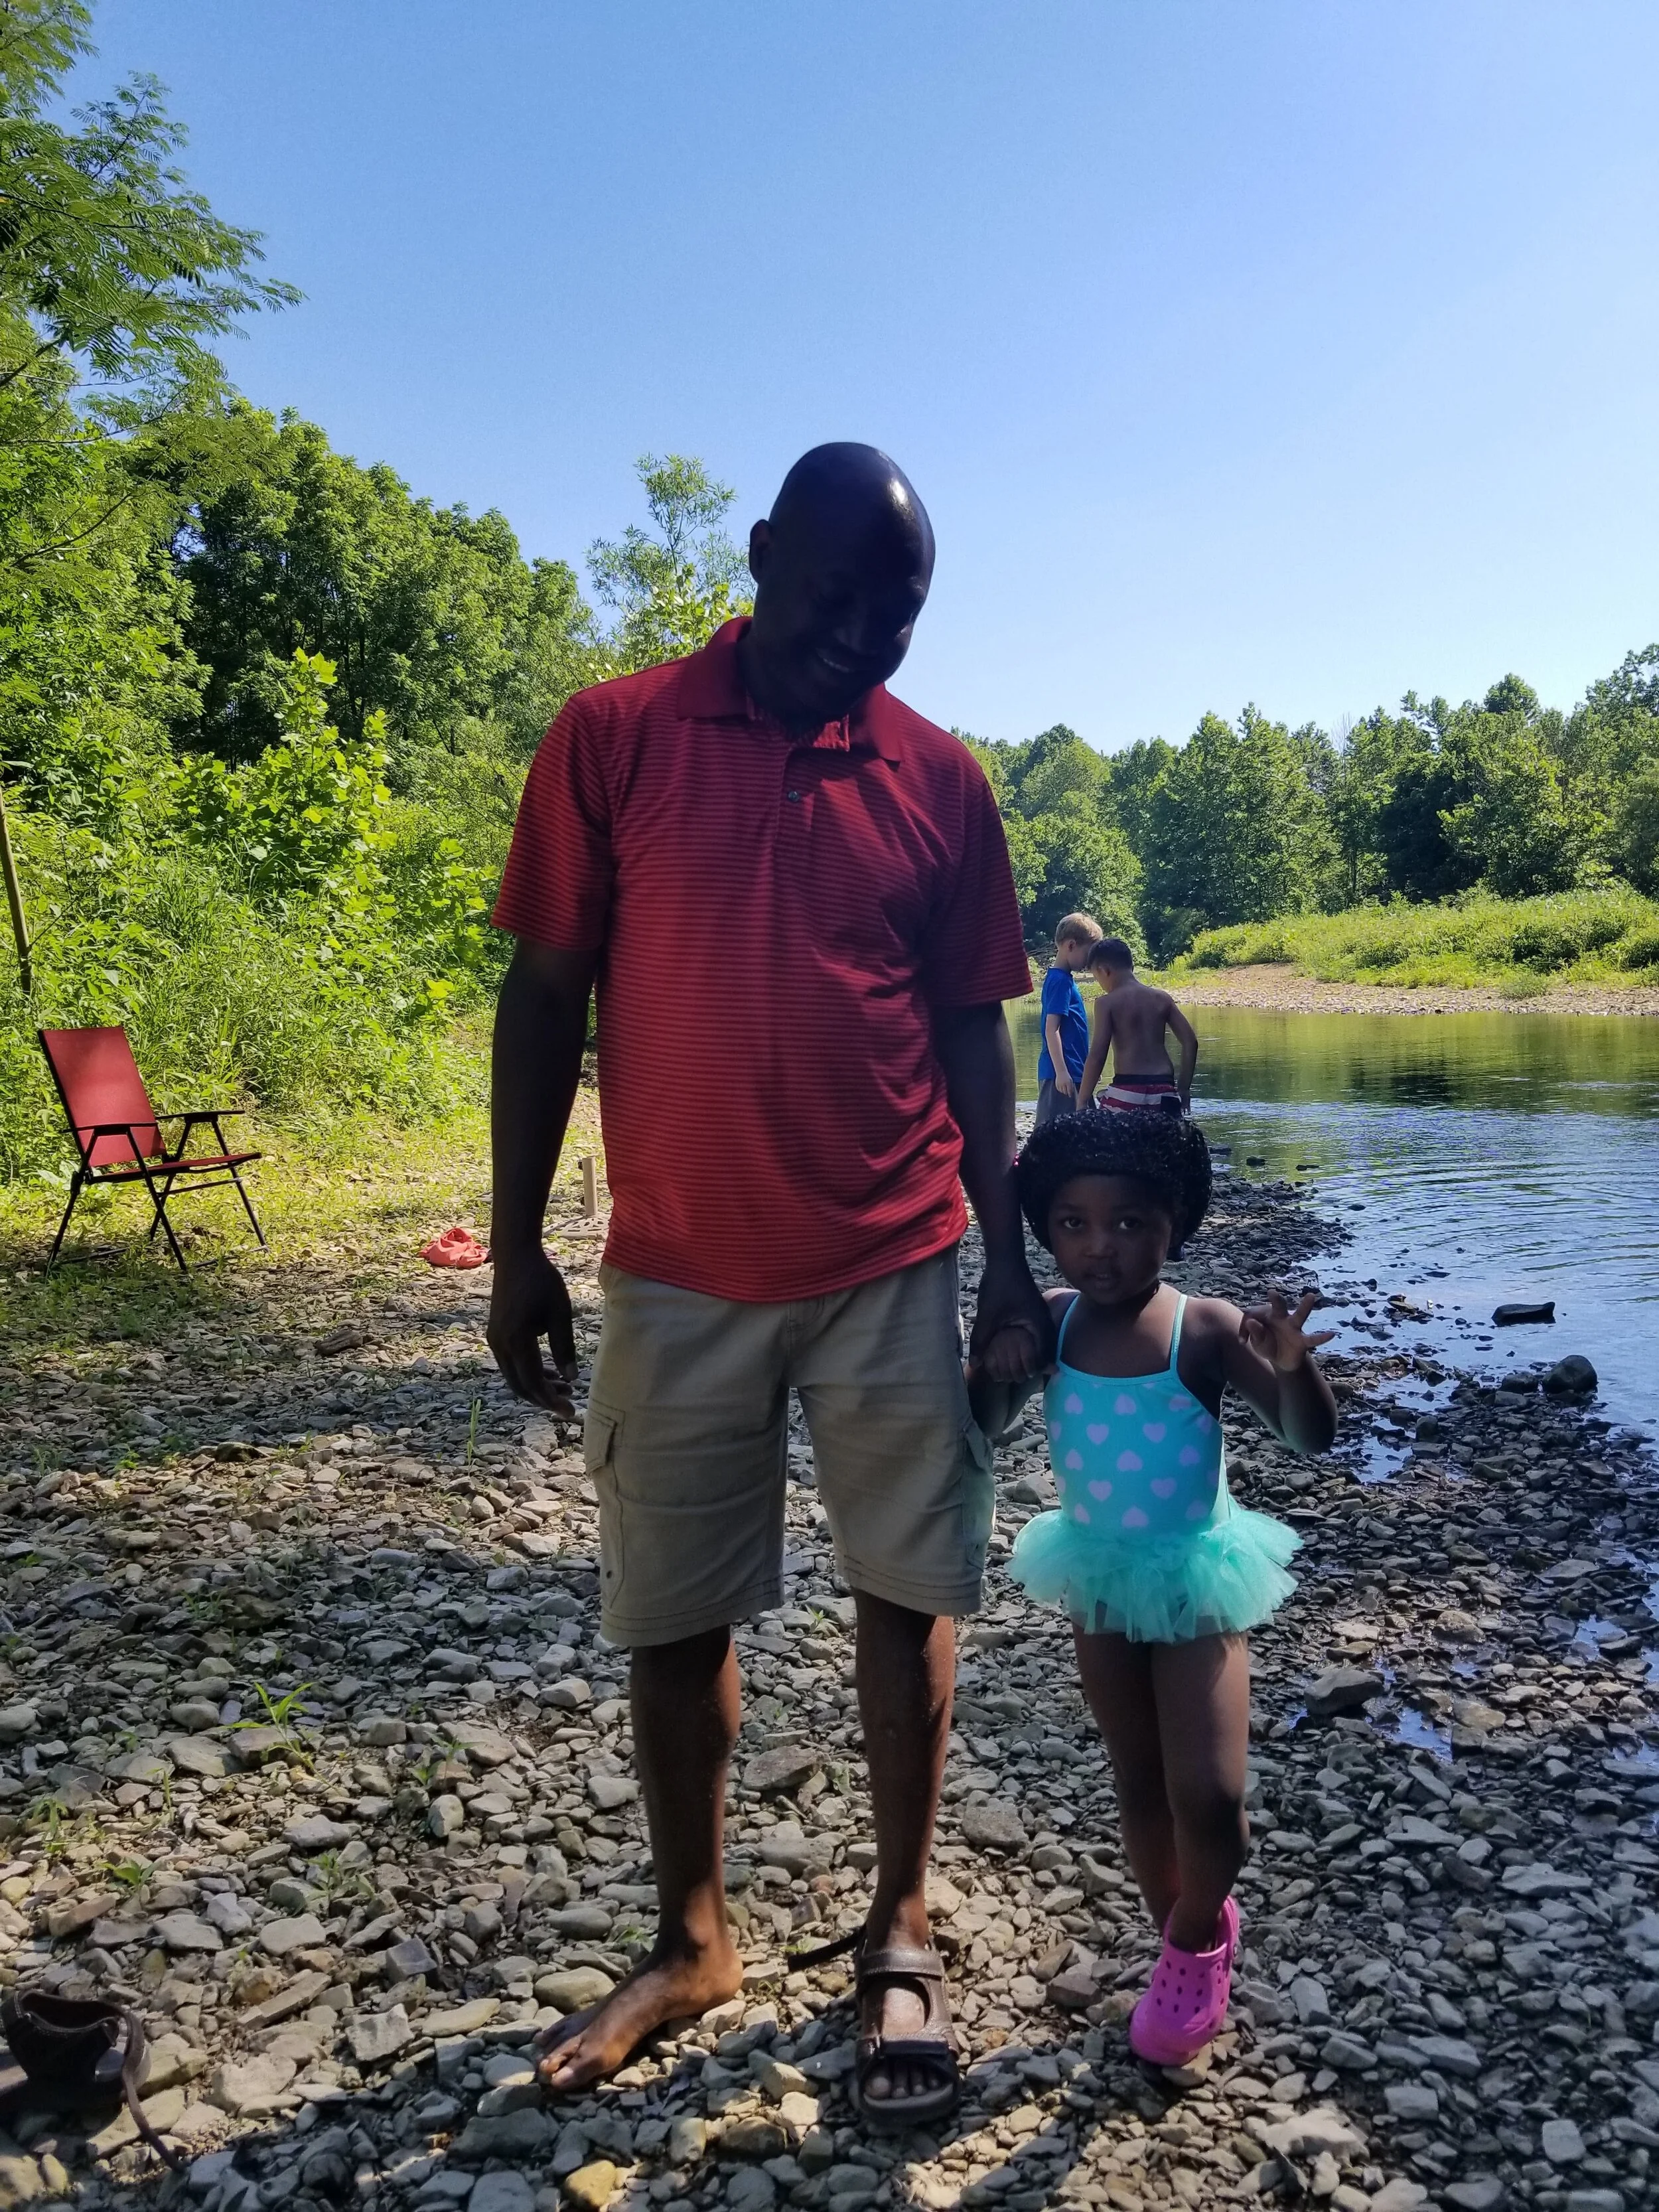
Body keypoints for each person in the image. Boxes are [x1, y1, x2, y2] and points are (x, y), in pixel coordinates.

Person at [486, 443, 1050, 2124]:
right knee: (674, 1612)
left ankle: (899, 1921)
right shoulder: (614, 735)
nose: (863, 635)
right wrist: (513, 1244)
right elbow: (544, 993)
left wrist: (1007, 1265)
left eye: (900, 613)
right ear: (756, 558)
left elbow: (972, 1029)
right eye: (835, 596)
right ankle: (693, 1938)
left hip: (896, 1253)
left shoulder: (940, 779)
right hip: (677, 1261)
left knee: (909, 1590)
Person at [989, 1110, 1334, 2065]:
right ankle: (1178, 1935)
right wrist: (994, 1362)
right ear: (1045, 1229)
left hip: (1196, 1578)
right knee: (1139, 1780)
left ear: (1173, 1226)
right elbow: (983, 1419)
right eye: (1074, 1223)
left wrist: (1296, 1369)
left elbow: (1309, 1438)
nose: (1100, 1245)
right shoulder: (1052, 1319)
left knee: (1211, 1797)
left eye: (1129, 1223)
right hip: (1098, 1575)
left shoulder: (1203, 1328)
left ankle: (1194, 1937)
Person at [1076, 937, 1198, 1114]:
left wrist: (1082, 1101)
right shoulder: (1162, 999)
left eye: (1097, 977)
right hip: (1165, 1091)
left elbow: (1097, 1055)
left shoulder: (1107, 1003)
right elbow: (1191, 1042)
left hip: (1127, 1089)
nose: (1100, 984)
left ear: (1104, 970)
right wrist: (1184, 1089)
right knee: (1165, 1133)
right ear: (1131, 966)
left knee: (1111, 1130)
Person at [1034, 913, 1102, 1126]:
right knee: (1056, 1132)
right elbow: (1051, 1029)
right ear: (1071, 946)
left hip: (1075, 1070)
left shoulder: (1064, 980)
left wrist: (1088, 1068)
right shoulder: (1060, 982)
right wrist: (1062, 1072)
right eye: (1088, 954)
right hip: (1062, 1074)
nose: (1090, 961)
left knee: (1081, 1129)